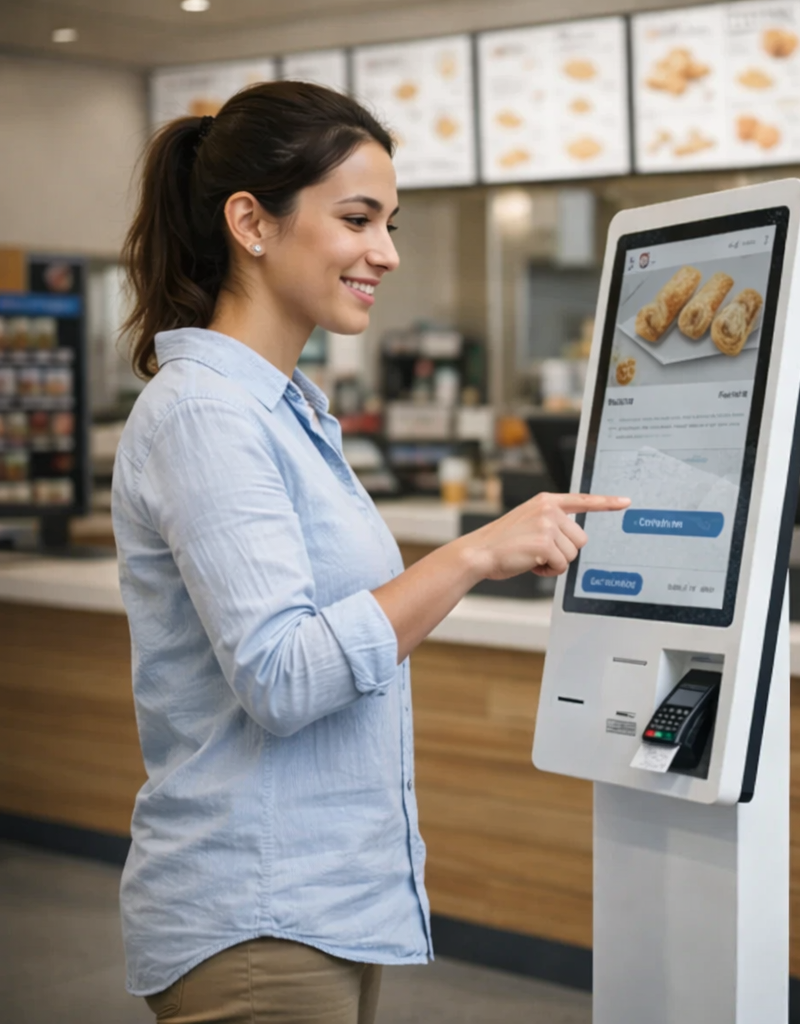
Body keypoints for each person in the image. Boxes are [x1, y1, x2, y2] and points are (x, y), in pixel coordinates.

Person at [113, 81, 628, 1024]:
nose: (385, 253)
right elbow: (283, 676)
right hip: (256, 920)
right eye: (357, 220)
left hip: (323, 909)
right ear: (250, 223)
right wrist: (471, 556)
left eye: (390, 224)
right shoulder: (205, 416)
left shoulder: (286, 411)